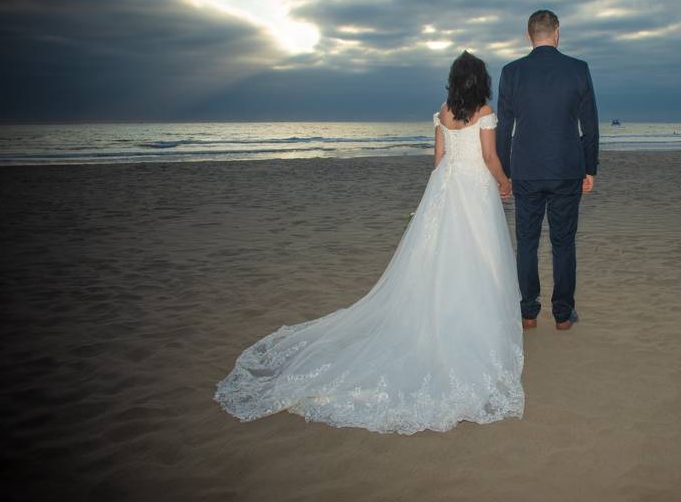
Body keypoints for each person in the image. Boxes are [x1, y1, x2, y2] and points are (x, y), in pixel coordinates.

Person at [214, 51, 524, 435]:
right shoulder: (485, 112)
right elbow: (490, 156)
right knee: (479, 256)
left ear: (454, 80)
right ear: (481, 80)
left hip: (446, 189)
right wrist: (504, 182)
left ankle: (440, 315)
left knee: (440, 257)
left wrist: (441, 193)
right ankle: (472, 323)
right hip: (474, 189)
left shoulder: (444, 112)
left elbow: (439, 159)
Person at [496, 10, 599, 331]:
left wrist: (505, 172)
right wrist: (589, 167)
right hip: (567, 167)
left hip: (526, 169)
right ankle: (562, 314)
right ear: (557, 33)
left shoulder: (512, 72)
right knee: (563, 242)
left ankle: (528, 313)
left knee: (526, 241)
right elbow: (590, 125)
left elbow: (503, 128)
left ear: (529, 36)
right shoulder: (578, 69)